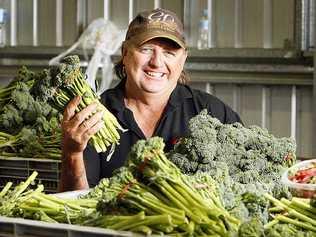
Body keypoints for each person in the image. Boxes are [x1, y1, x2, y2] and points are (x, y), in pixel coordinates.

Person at [60, 8, 242, 191]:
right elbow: (75, 204)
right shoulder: (94, 115)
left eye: (169, 52)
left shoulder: (213, 113)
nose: (156, 62)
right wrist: (73, 154)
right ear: (125, 53)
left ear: (183, 58)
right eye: (146, 49)